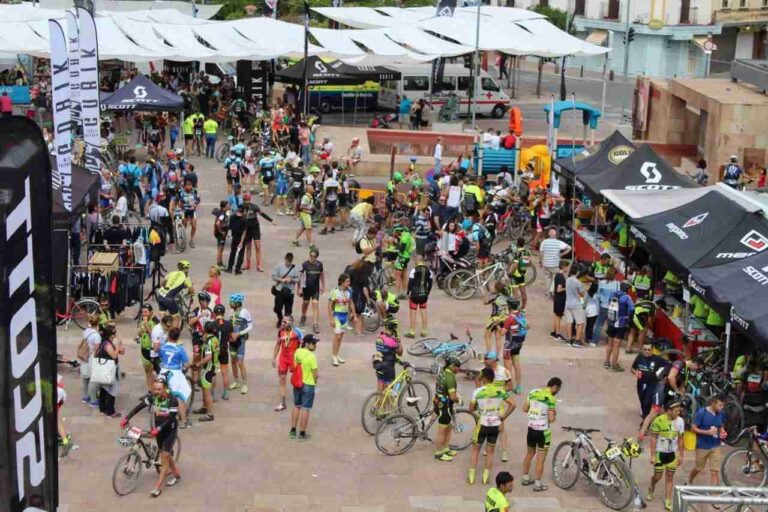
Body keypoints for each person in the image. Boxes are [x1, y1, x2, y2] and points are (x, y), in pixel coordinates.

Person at [121, 378, 181, 498]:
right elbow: (139, 407)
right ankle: (176, 474)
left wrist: (158, 429)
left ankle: (157, 487)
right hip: (158, 430)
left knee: (164, 457)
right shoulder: (153, 397)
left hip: (169, 430)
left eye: (159, 389)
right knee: (166, 454)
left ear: (165, 389)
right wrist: (127, 418)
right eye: (154, 389)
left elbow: (171, 418)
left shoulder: (172, 400)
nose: (156, 391)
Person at [467, 367, 516, 485]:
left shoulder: (478, 392)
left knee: (475, 450)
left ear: (483, 378)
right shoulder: (500, 391)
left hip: (482, 424)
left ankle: (471, 476)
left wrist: (479, 406)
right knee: (490, 451)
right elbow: (513, 404)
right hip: (495, 425)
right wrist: (504, 416)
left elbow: (471, 409)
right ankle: (485, 477)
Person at [521, 377, 562, 492]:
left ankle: (525, 478)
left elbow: (525, 408)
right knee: (541, 458)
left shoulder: (533, 392)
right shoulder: (551, 399)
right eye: (558, 390)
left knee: (529, 453)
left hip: (531, 429)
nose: (557, 392)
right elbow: (551, 419)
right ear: (554, 387)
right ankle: (537, 484)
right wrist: (553, 413)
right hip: (543, 432)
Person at [647, 400, 685, 511]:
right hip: (660, 453)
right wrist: (653, 455)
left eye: (679, 410)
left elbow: (681, 439)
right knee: (657, 476)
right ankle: (652, 486)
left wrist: (681, 455)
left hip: (672, 453)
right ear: (669, 411)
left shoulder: (680, 421)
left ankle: (668, 499)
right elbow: (653, 438)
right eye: (676, 410)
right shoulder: (658, 421)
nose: (678, 413)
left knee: (670, 477)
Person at [687, 394, 727, 487]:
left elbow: (721, 425)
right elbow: (693, 428)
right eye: (719, 405)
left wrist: (722, 432)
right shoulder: (702, 413)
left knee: (714, 471)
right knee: (698, 468)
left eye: (723, 405)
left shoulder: (721, 413)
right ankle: (689, 480)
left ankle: (713, 495)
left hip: (715, 445)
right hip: (702, 446)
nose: (721, 408)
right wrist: (707, 432)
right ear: (713, 403)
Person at [158, 327, 192, 428]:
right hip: (175, 374)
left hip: (164, 371)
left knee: (162, 395)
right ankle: (183, 421)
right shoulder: (179, 349)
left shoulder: (163, 347)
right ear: (178, 338)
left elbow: (161, 356)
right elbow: (186, 364)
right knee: (180, 396)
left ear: (168, 336)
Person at [631, 342, 670, 426]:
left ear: (652, 350)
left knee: (647, 402)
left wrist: (661, 375)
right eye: (645, 349)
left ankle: (645, 423)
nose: (647, 351)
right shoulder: (639, 357)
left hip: (652, 384)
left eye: (649, 349)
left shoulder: (657, 359)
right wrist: (635, 372)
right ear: (642, 350)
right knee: (642, 401)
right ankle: (645, 416)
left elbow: (668, 365)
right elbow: (633, 368)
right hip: (641, 383)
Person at [290, 334, 319, 441]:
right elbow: (315, 372)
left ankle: (293, 431)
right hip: (308, 384)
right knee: (305, 409)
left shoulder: (297, 352)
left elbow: (293, 366)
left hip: (297, 383)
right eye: (313, 343)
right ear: (306, 344)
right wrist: (315, 381)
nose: (315, 345)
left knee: (296, 406)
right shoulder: (312, 357)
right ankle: (302, 434)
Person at [434, 356, 462, 462]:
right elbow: (453, 397)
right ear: (453, 366)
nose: (459, 369)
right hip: (445, 407)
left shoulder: (442, 372)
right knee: (442, 430)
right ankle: (439, 452)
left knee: (448, 427)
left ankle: (446, 448)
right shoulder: (450, 378)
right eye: (458, 367)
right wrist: (459, 400)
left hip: (438, 401)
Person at [273, 315, 304, 412]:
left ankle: (300, 398)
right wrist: (274, 358)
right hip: (283, 358)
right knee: (282, 379)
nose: (283, 323)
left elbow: (303, 346)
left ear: (291, 322)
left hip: (294, 358)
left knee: (297, 380)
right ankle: (282, 403)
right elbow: (278, 344)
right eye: (282, 321)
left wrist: (301, 359)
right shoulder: (280, 331)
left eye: (285, 322)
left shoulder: (298, 332)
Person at [192, 322, 219, 422]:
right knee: (204, 389)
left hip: (208, 368)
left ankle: (209, 414)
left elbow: (208, 357)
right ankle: (204, 407)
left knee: (207, 393)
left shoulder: (208, 341)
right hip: (214, 366)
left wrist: (198, 364)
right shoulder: (215, 339)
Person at [604, 282, 634, 372]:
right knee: (616, 345)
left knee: (610, 343)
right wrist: (629, 317)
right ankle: (614, 365)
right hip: (621, 323)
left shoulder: (613, 294)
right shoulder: (627, 297)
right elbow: (632, 309)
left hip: (611, 322)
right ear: (627, 289)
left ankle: (606, 362)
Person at [156, 260, 194, 330]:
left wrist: (165, 288)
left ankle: (161, 333)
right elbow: (191, 290)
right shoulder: (186, 277)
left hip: (161, 294)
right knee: (176, 318)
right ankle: (173, 337)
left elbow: (162, 282)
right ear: (187, 269)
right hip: (169, 299)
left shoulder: (173, 273)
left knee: (162, 317)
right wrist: (189, 294)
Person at [95, 324, 123, 418]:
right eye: (114, 333)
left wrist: (118, 350)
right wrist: (118, 346)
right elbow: (114, 356)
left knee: (103, 389)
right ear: (111, 334)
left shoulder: (105, 342)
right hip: (109, 369)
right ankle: (110, 411)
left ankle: (102, 408)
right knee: (112, 390)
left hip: (104, 368)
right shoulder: (107, 344)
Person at [502, 299, 528, 395]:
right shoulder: (521, 315)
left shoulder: (510, 318)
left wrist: (498, 326)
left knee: (507, 366)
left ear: (509, 307)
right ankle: (518, 387)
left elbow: (502, 333)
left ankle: (508, 387)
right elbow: (527, 327)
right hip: (519, 343)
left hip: (509, 344)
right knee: (517, 364)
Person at [228, 293, 253, 395]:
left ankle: (245, 384)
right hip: (232, 340)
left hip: (240, 340)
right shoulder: (231, 311)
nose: (230, 304)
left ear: (237, 303)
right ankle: (236, 381)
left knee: (240, 363)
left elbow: (250, 326)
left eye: (232, 302)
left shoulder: (245, 312)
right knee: (233, 361)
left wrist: (240, 334)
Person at [373, 317, 403, 393]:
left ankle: (377, 404)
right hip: (389, 367)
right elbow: (400, 353)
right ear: (394, 327)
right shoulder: (392, 341)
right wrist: (399, 341)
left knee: (380, 388)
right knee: (389, 391)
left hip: (379, 364)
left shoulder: (379, 337)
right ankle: (387, 405)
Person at [406, 255, 433, 338]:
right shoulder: (429, 271)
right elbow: (430, 284)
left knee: (413, 313)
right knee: (423, 312)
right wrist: (427, 293)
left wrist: (408, 292)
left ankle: (412, 332)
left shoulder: (414, 270)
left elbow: (410, 283)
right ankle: (424, 331)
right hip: (423, 295)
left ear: (417, 260)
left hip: (414, 295)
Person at [298, 248, 325, 334]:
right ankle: (303, 316)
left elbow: (322, 275)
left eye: (314, 256)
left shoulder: (319, 265)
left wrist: (323, 286)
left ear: (317, 257)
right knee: (305, 303)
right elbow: (300, 276)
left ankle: (315, 324)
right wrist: (299, 288)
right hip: (306, 288)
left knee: (315, 304)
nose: (312, 257)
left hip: (315, 289)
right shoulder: (305, 264)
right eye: (311, 255)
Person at [328, 273, 352, 366]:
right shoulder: (334, 291)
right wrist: (331, 319)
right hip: (337, 316)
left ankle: (337, 355)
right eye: (347, 281)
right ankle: (334, 356)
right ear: (342, 282)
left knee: (341, 337)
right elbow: (329, 305)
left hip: (345, 316)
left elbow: (350, 302)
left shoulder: (349, 291)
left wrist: (353, 313)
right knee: (337, 336)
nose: (349, 283)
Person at [272, 252, 300, 328]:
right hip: (279, 290)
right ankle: (280, 318)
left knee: (288, 310)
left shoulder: (294, 268)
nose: (288, 263)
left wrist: (291, 279)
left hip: (289, 291)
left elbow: (298, 279)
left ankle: (285, 323)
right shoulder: (279, 266)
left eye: (290, 262)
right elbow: (273, 276)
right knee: (277, 307)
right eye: (287, 261)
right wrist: (281, 279)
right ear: (285, 259)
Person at [593, 267, 620, 346]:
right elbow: (617, 295)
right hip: (613, 307)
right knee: (611, 324)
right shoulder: (618, 284)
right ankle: (610, 342)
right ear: (614, 275)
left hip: (603, 306)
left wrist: (603, 299)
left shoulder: (601, 282)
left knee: (599, 324)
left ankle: (594, 341)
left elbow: (598, 295)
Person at [211, 304, 233, 401]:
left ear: (214, 313)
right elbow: (232, 337)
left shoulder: (211, 324)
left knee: (213, 373)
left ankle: (212, 395)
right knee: (225, 373)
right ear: (223, 313)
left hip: (214, 351)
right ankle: (226, 393)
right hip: (224, 350)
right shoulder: (228, 324)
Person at [539, 227, 571, 291]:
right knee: (555, 278)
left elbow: (541, 253)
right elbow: (569, 248)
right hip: (555, 264)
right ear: (556, 234)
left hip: (546, 263)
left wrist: (540, 262)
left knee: (547, 278)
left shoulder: (544, 242)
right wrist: (562, 254)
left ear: (548, 234)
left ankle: (549, 290)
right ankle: (552, 290)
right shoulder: (559, 242)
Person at [137, 304, 160, 390]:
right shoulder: (143, 320)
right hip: (144, 349)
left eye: (146, 312)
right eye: (142, 312)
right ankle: (150, 390)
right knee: (147, 371)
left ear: (151, 312)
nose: (144, 314)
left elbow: (154, 336)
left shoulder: (155, 321)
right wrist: (139, 333)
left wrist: (147, 325)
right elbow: (140, 332)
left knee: (155, 373)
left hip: (153, 350)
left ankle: (156, 391)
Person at [80, 314, 102, 406]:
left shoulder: (85, 332)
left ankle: (85, 397)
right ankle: (93, 400)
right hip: (92, 359)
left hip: (84, 357)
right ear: (98, 323)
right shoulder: (97, 336)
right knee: (94, 380)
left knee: (85, 378)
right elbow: (97, 349)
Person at [562, 265, 586, 347]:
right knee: (580, 323)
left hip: (567, 303)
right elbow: (582, 294)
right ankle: (577, 340)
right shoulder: (578, 282)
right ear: (577, 272)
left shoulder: (567, 280)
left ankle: (569, 340)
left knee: (569, 322)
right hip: (576, 304)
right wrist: (583, 303)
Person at [549, 260, 568, 343]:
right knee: (558, 316)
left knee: (557, 316)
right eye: (567, 267)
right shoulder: (561, 277)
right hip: (560, 299)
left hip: (557, 298)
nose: (567, 268)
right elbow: (559, 289)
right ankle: (557, 333)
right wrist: (566, 288)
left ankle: (554, 332)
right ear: (564, 267)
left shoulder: (557, 275)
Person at [179, 180, 200, 248]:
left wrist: (195, 204)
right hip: (184, 211)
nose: (189, 187)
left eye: (190, 185)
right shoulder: (181, 192)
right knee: (184, 225)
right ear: (184, 186)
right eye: (187, 185)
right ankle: (183, 238)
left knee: (194, 226)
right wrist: (180, 205)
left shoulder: (195, 191)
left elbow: (198, 199)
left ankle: (191, 240)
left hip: (192, 211)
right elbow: (178, 200)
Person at [293, 183, 315, 248]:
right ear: (308, 190)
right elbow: (302, 206)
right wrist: (310, 208)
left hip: (306, 214)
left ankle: (295, 240)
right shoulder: (306, 197)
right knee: (309, 229)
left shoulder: (309, 196)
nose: (313, 189)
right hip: (306, 214)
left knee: (303, 228)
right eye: (312, 188)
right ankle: (311, 244)